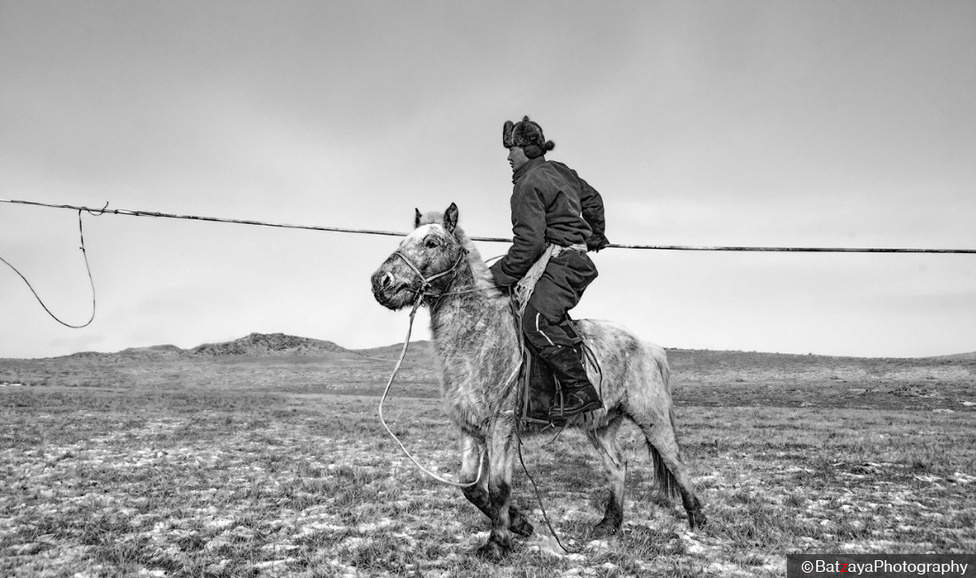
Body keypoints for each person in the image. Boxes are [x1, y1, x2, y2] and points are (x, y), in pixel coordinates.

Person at [489, 116, 610, 420]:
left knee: (537, 321)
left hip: (563, 264)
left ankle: (581, 391)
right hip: (567, 261)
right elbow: (593, 199)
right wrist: (596, 233)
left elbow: (528, 245)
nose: (508, 156)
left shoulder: (528, 185)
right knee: (523, 317)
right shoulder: (561, 172)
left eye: (513, 149)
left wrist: (493, 277)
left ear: (528, 149)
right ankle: (541, 399)